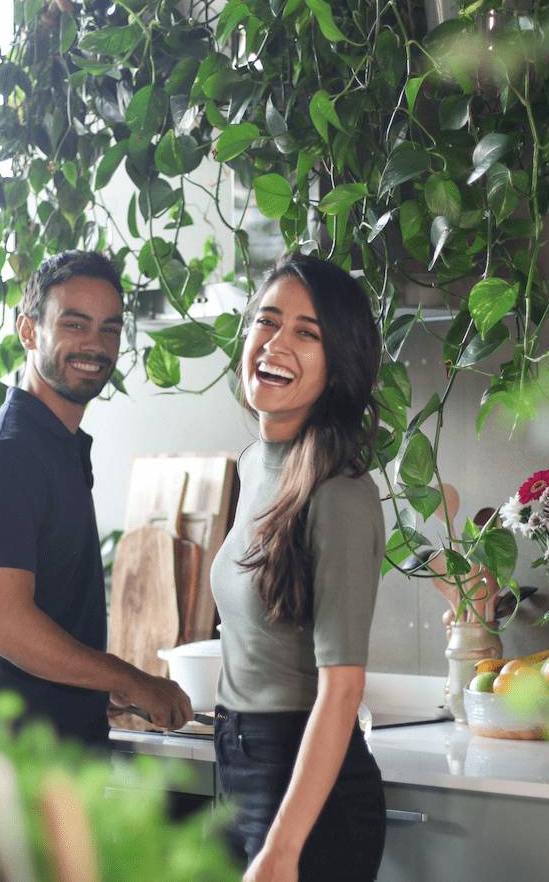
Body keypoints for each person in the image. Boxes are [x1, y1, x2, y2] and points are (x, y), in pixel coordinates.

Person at [0, 250, 193, 746]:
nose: (96, 345)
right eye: (75, 325)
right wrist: (131, 679)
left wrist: (95, 687)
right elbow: (6, 625)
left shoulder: (53, 445)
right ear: (28, 330)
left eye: (109, 329)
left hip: (50, 766)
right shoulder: (11, 455)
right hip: (15, 777)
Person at [210, 254, 387, 881]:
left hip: (308, 794)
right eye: (268, 320)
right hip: (238, 764)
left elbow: (341, 690)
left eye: (307, 333)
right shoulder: (254, 462)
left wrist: (283, 847)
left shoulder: (338, 493)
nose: (276, 343)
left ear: (338, 364)